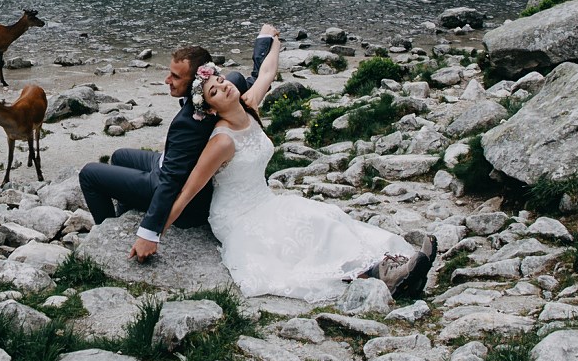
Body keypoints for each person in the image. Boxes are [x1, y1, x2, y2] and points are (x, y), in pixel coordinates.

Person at [164, 27, 431, 302]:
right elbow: (189, 190)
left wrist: (273, 40)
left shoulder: (248, 105)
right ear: (209, 109)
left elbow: (267, 73)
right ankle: (379, 274)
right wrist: (153, 234)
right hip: (237, 217)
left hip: (264, 202)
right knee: (303, 238)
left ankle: (390, 264)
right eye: (214, 92)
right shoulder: (221, 141)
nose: (223, 86)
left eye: (220, 81)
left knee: (326, 216)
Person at [78, 29, 277, 260]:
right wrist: (267, 40)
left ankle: (108, 235)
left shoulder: (190, 123)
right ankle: (126, 210)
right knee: (120, 155)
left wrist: (150, 233)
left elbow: (171, 180)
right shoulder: (230, 85)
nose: (167, 80)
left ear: (196, 85)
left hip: (169, 181)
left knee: (89, 174)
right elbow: (257, 76)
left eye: (175, 77)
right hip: (168, 161)